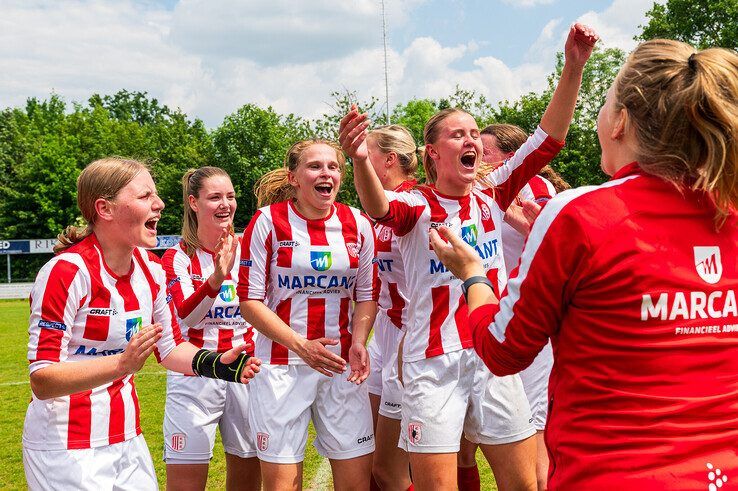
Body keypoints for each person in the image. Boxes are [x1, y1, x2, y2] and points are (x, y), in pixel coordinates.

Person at [429, 39, 738, 489]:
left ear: (621, 123)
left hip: (612, 475)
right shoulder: (726, 210)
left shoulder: (583, 213)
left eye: (605, 104)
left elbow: (502, 350)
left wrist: (472, 275)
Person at [341, 23, 598, 491]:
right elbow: (378, 207)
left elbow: (548, 140)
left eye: (475, 133)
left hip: (491, 356)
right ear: (433, 153)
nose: (471, 141)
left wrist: (573, 69)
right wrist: (360, 159)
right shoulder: (417, 205)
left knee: (522, 484)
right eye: (458, 135)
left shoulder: (492, 191)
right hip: (431, 364)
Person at [23, 157, 261, 490]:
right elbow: (43, 380)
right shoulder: (66, 272)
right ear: (105, 209)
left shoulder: (150, 269)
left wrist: (217, 364)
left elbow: (171, 348)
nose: (160, 204)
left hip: (128, 441)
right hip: (67, 447)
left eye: (157, 195)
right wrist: (121, 363)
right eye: (144, 196)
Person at [238, 140, 378, 490]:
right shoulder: (267, 221)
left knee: (356, 484)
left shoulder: (358, 223)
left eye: (333, 167)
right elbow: (249, 300)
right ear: (294, 177)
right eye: (315, 166)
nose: (325, 173)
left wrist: (359, 341)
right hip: (281, 369)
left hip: (342, 368)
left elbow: (366, 295)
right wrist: (301, 346)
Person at [477, 123, 570, 490]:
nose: (481, 160)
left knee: (534, 431)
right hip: (496, 322)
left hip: (529, 321)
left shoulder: (538, 188)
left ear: (511, 155)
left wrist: (509, 212)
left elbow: (548, 241)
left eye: (487, 153)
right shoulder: (482, 190)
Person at [161, 167, 260, 491]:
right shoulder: (178, 257)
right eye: (214, 197)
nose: (225, 204)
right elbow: (186, 317)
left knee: (246, 477)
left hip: (244, 373)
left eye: (230, 196)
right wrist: (216, 278)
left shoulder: (248, 249)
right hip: (194, 377)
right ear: (193, 202)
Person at [362, 125, 418, 491]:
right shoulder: (373, 211)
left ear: (388, 161)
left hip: (408, 334)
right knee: (367, 456)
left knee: (390, 471)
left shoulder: (414, 205)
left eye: (364, 156)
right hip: (381, 332)